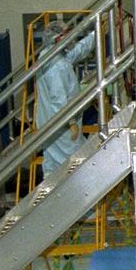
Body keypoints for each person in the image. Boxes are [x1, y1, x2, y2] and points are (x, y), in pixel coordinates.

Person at [35, 19, 96, 176]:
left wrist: (96, 35)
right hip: (61, 125)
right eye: (66, 34)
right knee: (70, 165)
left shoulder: (51, 54)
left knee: (53, 163)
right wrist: (70, 122)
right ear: (57, 38)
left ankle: (51, 197)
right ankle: (69, 198)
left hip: (51, 121)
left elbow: (77, 51)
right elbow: (58, 99)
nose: (71, 37)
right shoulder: (56, 65)